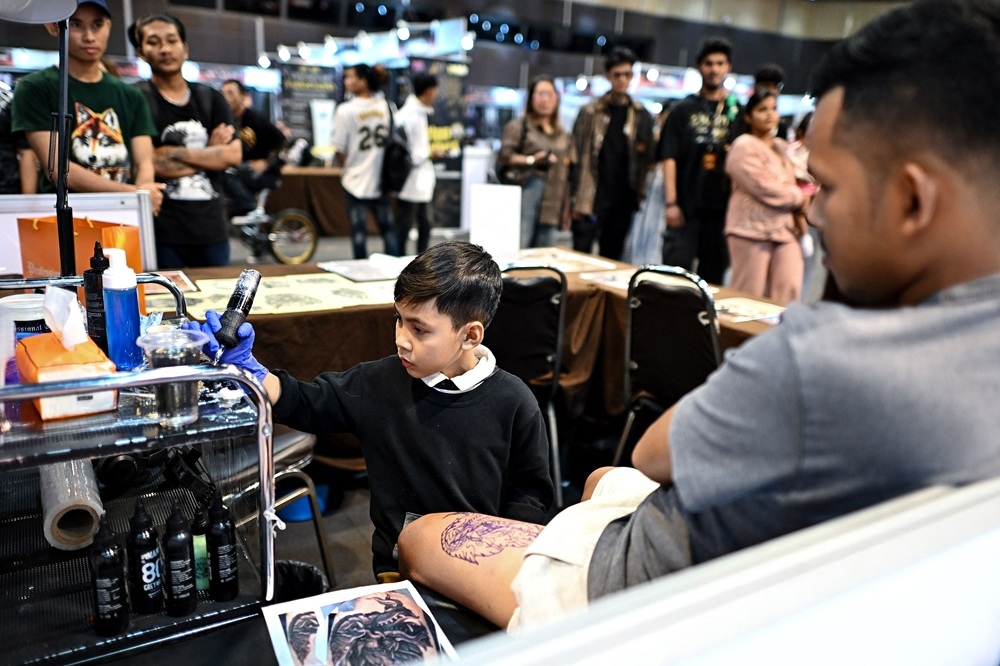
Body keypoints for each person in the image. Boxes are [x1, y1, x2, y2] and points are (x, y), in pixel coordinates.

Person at [396, 0, 1000, 632]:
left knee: (422, 535)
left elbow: (655, 453)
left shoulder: (827, 359)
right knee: (601, 477)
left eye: (830, 187)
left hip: (635, 591)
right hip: (752, 566)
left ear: (912, 199)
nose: (816, 213)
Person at [187, 241, 553, 579]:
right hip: (401, 565)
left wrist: (508, 558)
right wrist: (249, 369)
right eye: (399, 319)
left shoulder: (514, 401)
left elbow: (531, 493)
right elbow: (303, 402)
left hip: (484, 567)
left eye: (419, 330)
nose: (401, 339)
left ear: (470, 335)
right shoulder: (377, 383)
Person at [11, 0, 163, 212]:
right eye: (76, 24)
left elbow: (143, 162)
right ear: (53, 27)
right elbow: (57, 169)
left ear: (108, 26)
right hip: (66, 215)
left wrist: (142, 194)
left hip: (125, 215)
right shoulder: (36, 88)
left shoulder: (131, 95)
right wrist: (135, 194)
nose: (89, 36)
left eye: (97, 24)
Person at [131, 13, 241, 269]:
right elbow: (147, 162)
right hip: (161, 233)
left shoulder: (210, 98)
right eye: (154, 42)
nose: (165, 49)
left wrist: (167, 153)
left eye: (172, 40)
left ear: (185, 48)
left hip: (212, 230)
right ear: (141, 52)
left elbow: (233, 156)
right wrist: (210, 152)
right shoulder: (137, 98)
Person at [659, 37, 739, 285]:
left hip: (722, 212)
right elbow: (668, 157)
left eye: (720, 63)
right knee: (674, 280)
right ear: (699, 67)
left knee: (713, 282)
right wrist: (671, 203)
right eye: (709, 63)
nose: (714, 69)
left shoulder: (737, 111)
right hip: (686, 207)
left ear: (728, 67)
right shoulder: (682, 109)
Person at [723, 90, 808, 304]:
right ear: (748, 117)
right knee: (747, 297)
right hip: (750, 229)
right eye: (762, 109)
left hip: (786, 229)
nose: (770, 114)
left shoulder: (782, 146)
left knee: (789, 293)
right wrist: (799, 197)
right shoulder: (743, 145)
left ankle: (784, 328)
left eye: (774, 109)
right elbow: (763, 186)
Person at [569, 47, 654, 261]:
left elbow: (646, 158)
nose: (622, 80)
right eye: (617, 75)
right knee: (581, 257)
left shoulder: (640, 114)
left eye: (627, 74)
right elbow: (576, 153)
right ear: (608, 75)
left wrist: (639, 192)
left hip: (623, 198)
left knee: (612, 260)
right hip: (591, 194)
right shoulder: (590, 111)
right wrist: (574, 196)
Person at [331, 63, 401, 259]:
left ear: (363, 81)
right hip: (381, 179)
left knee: (359, 234)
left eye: (350, 77)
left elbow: (339, 148)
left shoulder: (345, 110)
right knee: (388, 230)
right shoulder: (387, 107)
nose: (346, 81)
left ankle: (360, 272)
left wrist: (346, 166)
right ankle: (397, 271)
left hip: (354, 179)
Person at [498, 75, 575, 249]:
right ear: (531, 98)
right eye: (540, 94)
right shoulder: (519, 126)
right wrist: (532, 159)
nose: (545, 99)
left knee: (545, 254)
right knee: (519, 248)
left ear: (556, 98)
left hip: (552, 203)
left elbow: (567, 171)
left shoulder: (562, 133)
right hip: (526, 195)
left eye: (549, 94)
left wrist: (567, 207)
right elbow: (504, 156)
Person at [220, 78, 287, 216]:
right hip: (242, 169)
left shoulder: (255, 119)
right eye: (223, 93)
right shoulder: (228, 121)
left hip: (264, 173)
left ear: (243, 96)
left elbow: (282, 141)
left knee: (227, 176)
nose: (226, 98)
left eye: (230, 93)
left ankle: (249, 206)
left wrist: (266, 162)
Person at [394, 73, 439, 255]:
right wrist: (430, 154)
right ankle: (405, 261)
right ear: (429, 91)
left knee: (421, 223)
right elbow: (414, 153)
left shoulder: (412, 112)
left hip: (416, 179)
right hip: (411, 178)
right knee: (408, 225)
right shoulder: (413, 115)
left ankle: (419, 261)